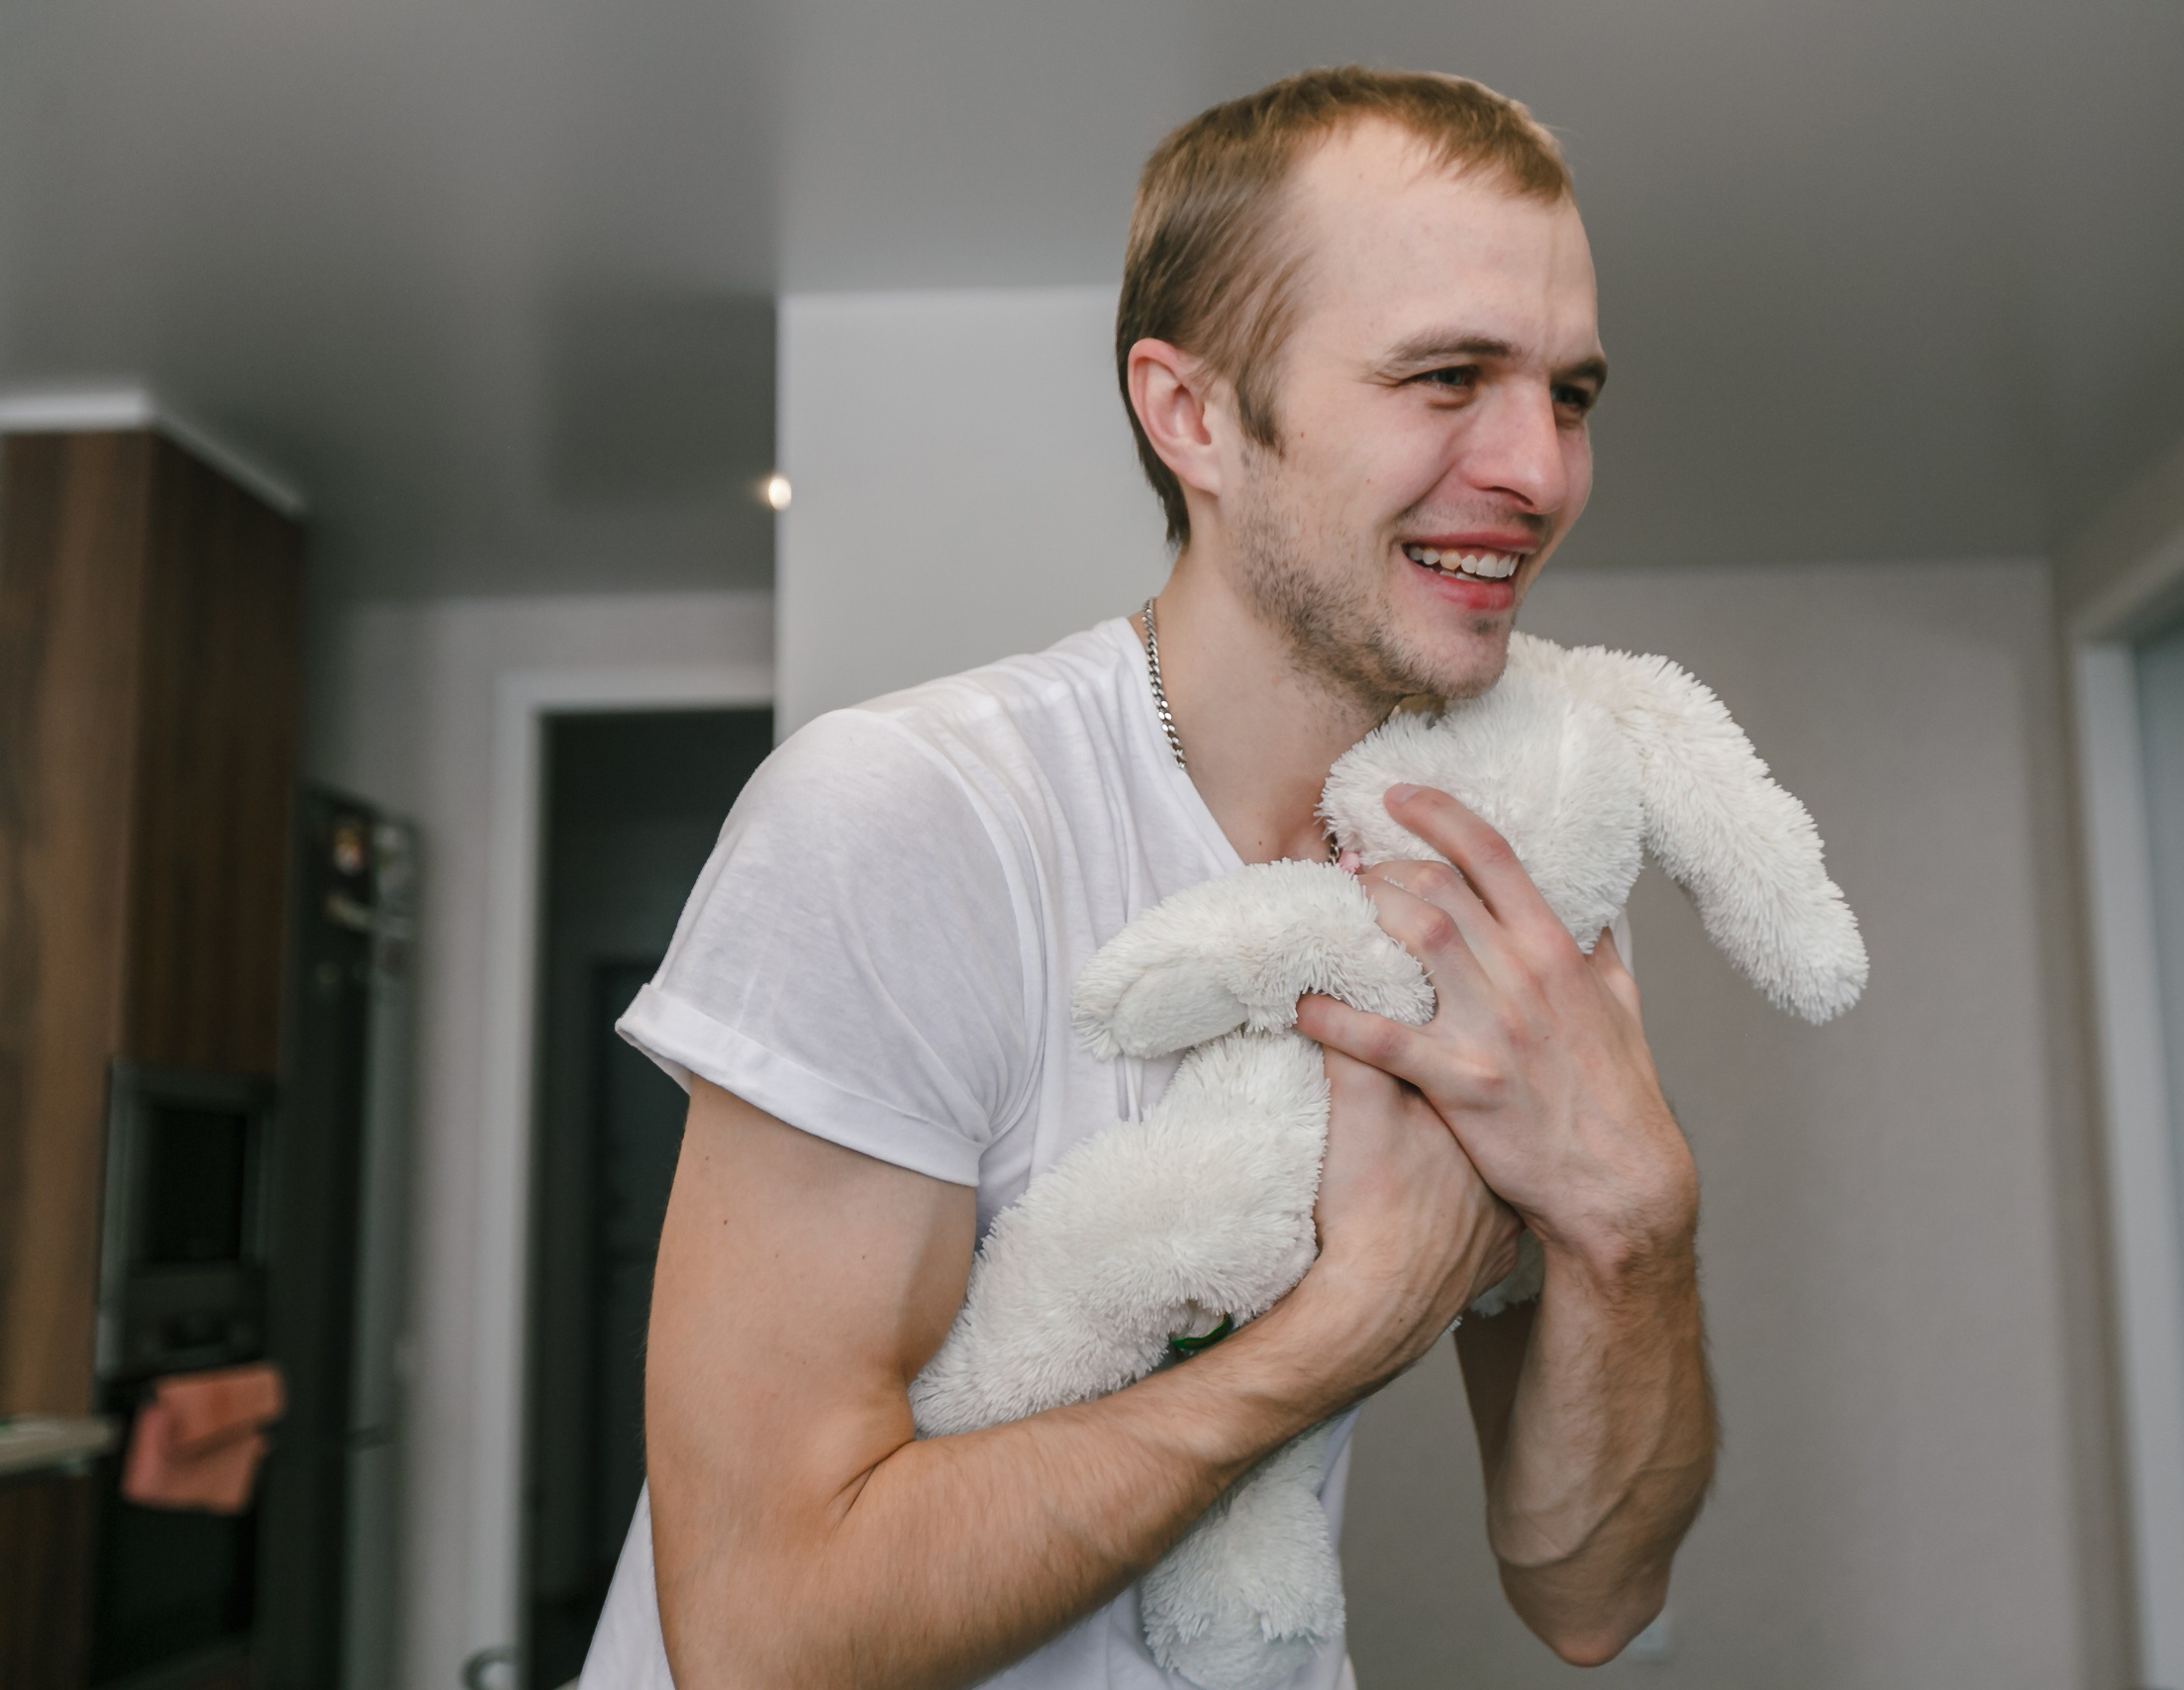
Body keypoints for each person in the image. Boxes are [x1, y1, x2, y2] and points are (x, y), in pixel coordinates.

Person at [581, 65, 1715, 1690]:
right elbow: (765, 1634)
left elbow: (1590, 1597)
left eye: (1573, 392)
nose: (1540, 469)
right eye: (1448, 376)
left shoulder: (1496, 883)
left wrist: (1639, 1223)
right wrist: (1344, 1330)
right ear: (1192, 416)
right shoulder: (913, 818)